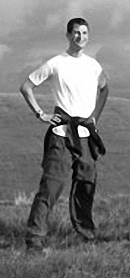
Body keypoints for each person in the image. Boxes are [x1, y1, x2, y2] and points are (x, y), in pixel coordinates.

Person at [20, 18, 109, 251]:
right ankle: (35, 238)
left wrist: (95, 118)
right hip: (61, 134)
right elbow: (26, 86)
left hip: (86, 135)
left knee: (86, 185)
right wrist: (41, 114)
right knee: (51, 185)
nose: (80, 37)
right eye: (76, 33)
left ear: (89, 36)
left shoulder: (94, 66)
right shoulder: (56, 63)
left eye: (84, 33)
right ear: (68, 36)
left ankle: (86, 234)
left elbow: (104, 88)